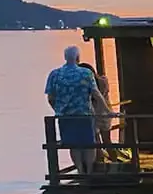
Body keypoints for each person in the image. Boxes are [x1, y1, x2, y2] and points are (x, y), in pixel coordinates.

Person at [45, 46, 109, 176]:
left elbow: (50, 97)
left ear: (65, 57)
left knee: (73, 145)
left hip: (65, 116)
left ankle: (80, 170)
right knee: (89, 144)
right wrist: (106, 109)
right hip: (84, 114)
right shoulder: (85, 73)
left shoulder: (55, 74)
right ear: (78, 58)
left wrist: (58, 109)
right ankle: (89, 170)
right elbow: (95, 93)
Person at [78, 61, 113, 149]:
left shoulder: (85, 86)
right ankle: (115, 160)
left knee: (96, 143)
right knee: (107, 141)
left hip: (93, 115)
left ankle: (100, 161)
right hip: (105, 114)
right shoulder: (103, 81)